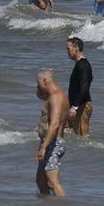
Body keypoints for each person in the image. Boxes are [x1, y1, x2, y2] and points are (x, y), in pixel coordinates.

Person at [35, 69, 69, 197]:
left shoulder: (55, 97)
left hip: (53, 143)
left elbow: (54, 124)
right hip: (49, 142)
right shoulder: (55, 95)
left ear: (45, 81)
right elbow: (39, 95)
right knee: (41, 180)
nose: (37, 87)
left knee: (52, 181)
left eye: (38, 83)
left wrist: (43, 148)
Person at [66, 38, 93, 137]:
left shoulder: (83, 65)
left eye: (68, 49)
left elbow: (85, 88)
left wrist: (75, 107)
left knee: (83, 138)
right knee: (74, 135)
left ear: (76, 48)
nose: (67, 51)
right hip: (78, 105)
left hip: (82, 105)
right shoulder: (79, 64)